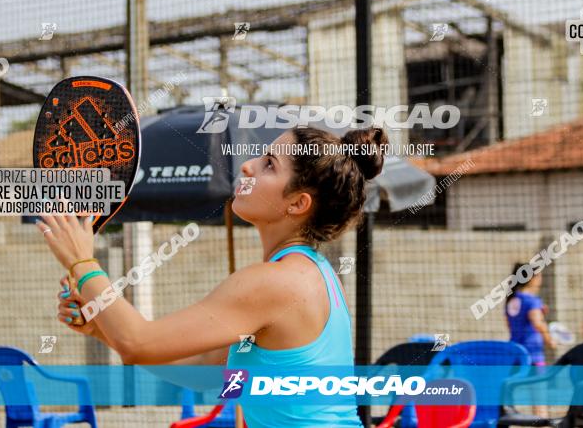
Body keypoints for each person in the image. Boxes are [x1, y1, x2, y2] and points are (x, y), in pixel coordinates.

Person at [36, 126, 389, 428]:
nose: (248, 166)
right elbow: (198, 367)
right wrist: (102, 325)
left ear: (297, 203)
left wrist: (82, 262)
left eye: (269, 165)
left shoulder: (277, 282)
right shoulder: (312, 273)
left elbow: (138, 342)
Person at [504, 263, 556, 366]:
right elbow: (537, 324)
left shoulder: (511, 299)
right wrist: (549, 340)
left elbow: (510, 324)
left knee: (517, 381)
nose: (541, 280)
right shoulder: (532, 301)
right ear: (532, 279)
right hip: (532, 354)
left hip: (515, 351)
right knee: (538, 381)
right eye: (539, 276)